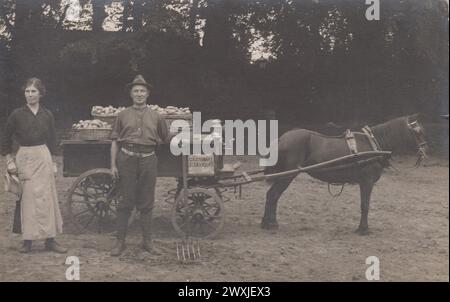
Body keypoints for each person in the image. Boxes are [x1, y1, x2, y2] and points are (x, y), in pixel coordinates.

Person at [1, 77, 67, 254]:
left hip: (43, 156)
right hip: (25, 157)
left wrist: (54, 162)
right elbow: (5, 139)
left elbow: (53, 139)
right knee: (28, 200)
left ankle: (50, 240)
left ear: (41, 93)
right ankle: (27, 241)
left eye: (33, 91)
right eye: (27, 91)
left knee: (47, 198)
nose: (30, 95)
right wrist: (9, 160)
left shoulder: (47, 114)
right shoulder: (17, 114)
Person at [110, 75, 171, 256]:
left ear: (148, 94)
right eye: (135, 91)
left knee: (147, 202)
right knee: (125, 201)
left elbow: (166, 138)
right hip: (126, 159)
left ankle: (147, 242)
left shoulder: (157, 116)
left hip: (148, 159)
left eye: (142, 91)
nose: (139, 94)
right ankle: (120, 243)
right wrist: (113, 165)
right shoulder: (122, 115)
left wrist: (182, 135)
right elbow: (115, 141)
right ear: (131, 93)